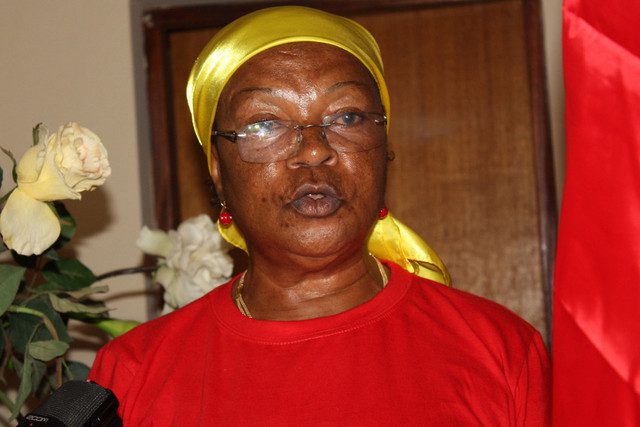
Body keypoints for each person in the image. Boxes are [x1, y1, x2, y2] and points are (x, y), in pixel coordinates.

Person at [89, 6, 549, 425]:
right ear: (217, 168)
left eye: (347, 118)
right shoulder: (133, 374)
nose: (313, 150)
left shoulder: (500, 350)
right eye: (265, 123)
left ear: (383, 149)